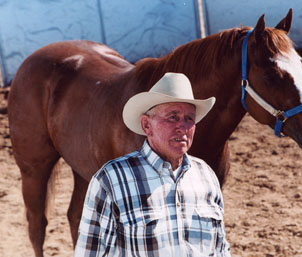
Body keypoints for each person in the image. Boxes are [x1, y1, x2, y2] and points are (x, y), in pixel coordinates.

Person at [74, 72, 231, 256]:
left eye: (189, 118)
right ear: (146, 125)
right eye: (173, 117)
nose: (183, 127)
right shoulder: (111, 180)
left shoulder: (206, 176)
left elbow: (221, 249)